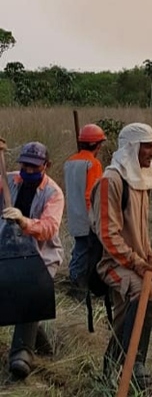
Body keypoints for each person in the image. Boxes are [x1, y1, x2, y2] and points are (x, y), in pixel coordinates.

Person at [90, 123, 152, 389]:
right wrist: (136, 262)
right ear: (132, 148)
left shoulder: (140, 180)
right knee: (145, 295)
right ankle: (136, 365)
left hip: (136, 263)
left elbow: (141, 228)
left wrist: (149, 255)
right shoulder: (112, 180)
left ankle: (111, 373)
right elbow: (108, 235)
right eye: (147, 145)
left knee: (125, 320)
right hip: (112, 263)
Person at [0, 141, 64, 379]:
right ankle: (43, 345)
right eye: (25, 166)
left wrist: (24, 222)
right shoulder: (8, 181)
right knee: (17, 297)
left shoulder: (53, 193)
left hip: (42, 254)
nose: (28, 171)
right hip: (11, 251)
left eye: (34, 167)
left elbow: (49, 228)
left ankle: (21, 354)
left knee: (29, 293)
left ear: (46, 166)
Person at [64, 124, 106, 298]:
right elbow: (92, 193)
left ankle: (79, 281)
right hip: (87, 217)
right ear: (97, 145)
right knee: (88, 251)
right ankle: (78, 285)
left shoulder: (69, 162)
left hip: (74, 213)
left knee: (81, 249)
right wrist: (95, 219)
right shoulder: (93, 164)